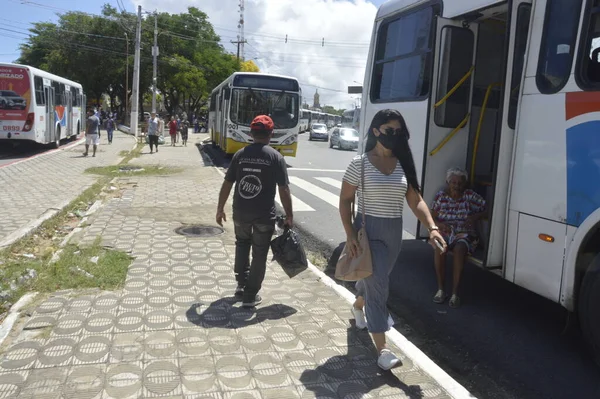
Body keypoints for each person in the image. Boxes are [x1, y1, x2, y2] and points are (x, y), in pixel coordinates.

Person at [339, 109, 447, 370]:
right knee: (380, 288)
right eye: (390, 130)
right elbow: (345, 200)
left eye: (398, 132)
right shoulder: (360, 163)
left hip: (393, 234)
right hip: (369, 232)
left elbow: (415, 200)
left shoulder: (403, 164)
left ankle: (357, 305)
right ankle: (383, 350)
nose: (394, 136)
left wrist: (431, 227)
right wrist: (350, 234)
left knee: (376, 279)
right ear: (376, 131)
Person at [216, 115, 294, 308]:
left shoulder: (240, 155)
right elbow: (284, 189)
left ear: (251, 133)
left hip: (241, 211)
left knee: (242, 244)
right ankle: (250, 296)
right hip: (263, 215)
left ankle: (241, 285)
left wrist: (220, 208)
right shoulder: (275, 157)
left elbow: (227, 183)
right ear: (271, 134)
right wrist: (290, 216)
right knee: (260, 252)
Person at [430, 167, 486, 308]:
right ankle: (441, 289)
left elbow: (488, 208)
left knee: (460, 249)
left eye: (459, 183)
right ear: (448, 182)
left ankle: (455, 293)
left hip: (464, 232)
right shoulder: (441, 196)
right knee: (439, 246)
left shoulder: (469, 195)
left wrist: (474, 216)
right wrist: (440, 225)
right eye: (453, 182)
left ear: (464, 184)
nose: (457, 186)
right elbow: (431, 216)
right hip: (445, 231)